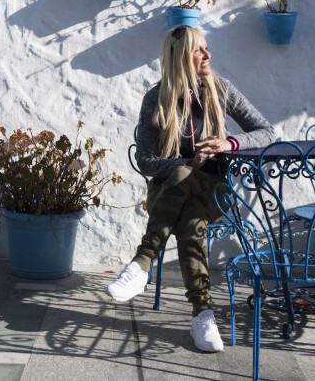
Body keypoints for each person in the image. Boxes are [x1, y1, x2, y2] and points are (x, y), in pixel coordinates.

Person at [106, 25, 274, 352]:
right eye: (199, 50)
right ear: (181, 57)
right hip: (171, 193)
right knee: (190, 212)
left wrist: (229, 143)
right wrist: (186, 163)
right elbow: (145, 160)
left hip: (215, 192)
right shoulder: (156, 98)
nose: (207, 55)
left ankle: (142, 263)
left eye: (206, 47)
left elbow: (267, 131)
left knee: (189, 190)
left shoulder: (221, 89)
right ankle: (202, 315)